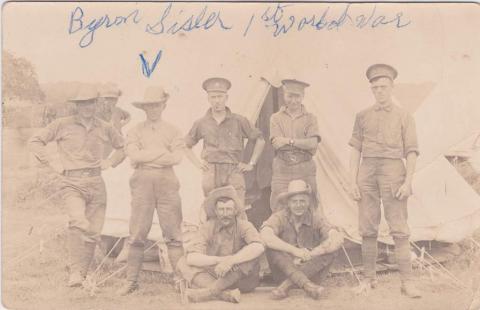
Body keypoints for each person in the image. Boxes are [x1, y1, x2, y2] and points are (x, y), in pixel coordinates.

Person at [28, 85, 125, 287]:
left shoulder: (105, 126)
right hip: (72, 182)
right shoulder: (62, 124)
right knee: (78, 221)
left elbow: (123, 147)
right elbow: (35, 141)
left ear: (96, 104)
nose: (87, 107)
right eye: (82, 104)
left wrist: (111, 162)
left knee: (93, 232)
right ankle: (74, 272)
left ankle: (82, 273)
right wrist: (52, 163)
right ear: (76, 106)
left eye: (90, 103)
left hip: (97, 183)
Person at [348, 64, 421, 298]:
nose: (379, 91)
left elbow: (411, 151)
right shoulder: (362, 116)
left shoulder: (404, 116)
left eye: (383, 87)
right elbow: (355, 151)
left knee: (399, 229)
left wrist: (408, 181)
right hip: (367, 172)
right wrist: (352, 181)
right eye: (375, 87)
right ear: (371, 89)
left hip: (393, 170)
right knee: (367, 228)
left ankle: (407, 282)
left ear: (392, 87)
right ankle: (369, 280)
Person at [117, 86, 185, 295]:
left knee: (173, 232)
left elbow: (176, 158)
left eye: (157, 105)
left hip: (167, 181)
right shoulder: (135, 131)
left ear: (163, 105)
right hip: (142, 182)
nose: (153, 109)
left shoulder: (173, 130)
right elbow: (134, 156)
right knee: (137, 232)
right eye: (149, 106)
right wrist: (161, 153)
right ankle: (132, 281)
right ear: (144, 108)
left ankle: (181, 280)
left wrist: (148, 154)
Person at [185, 77, 265, 207]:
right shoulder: (201, 123)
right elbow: (185, 145)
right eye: (213, 97)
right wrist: (198, 164)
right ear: (208, 99)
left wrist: (251, 163)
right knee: (211, 209)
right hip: (211, 170)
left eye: (220, 96)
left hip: (233, 169)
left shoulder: (239, 121)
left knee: (237, 209)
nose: (217, 101)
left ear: (226, 97)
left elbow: (260, 140)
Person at [177, 186, 264, 303]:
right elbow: (192, 257)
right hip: (217, 274)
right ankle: (224, 294)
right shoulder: (207, 227)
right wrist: (220, 260)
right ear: (216, 212)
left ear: (235, 211)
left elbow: (258, 247)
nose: (225, 214)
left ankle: (208, 292)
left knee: (251, 257)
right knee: (183, 262)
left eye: (228, 209)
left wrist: (231, 261)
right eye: (221, 210)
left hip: (242, 280)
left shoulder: (245, 225)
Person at [261, 179, 344, 300]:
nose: (298, 205)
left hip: (311, 272)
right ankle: (308, 287)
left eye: (302, 201)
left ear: (308, 202)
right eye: (294, 201)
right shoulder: (279, 216)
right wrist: (294, 251)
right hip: (284, 272)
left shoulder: (316, 217)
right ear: (288, 203)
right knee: (271, 248)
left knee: (333, 250)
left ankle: (286, 287)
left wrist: (311, 254)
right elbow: (265, 235)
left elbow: (337, 238)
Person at [269, 79, 321, 212]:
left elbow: (313, 143)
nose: (293, 100)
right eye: (290, 96)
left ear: (303, 96)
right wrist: (302, 143)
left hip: (305, 167)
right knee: (279, 204)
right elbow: (277, 144)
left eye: (297, 96)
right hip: (282, 167)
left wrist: (288, 141)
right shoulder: (276, 118)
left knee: (309, 203)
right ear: (284, 95)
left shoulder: (311, 118)